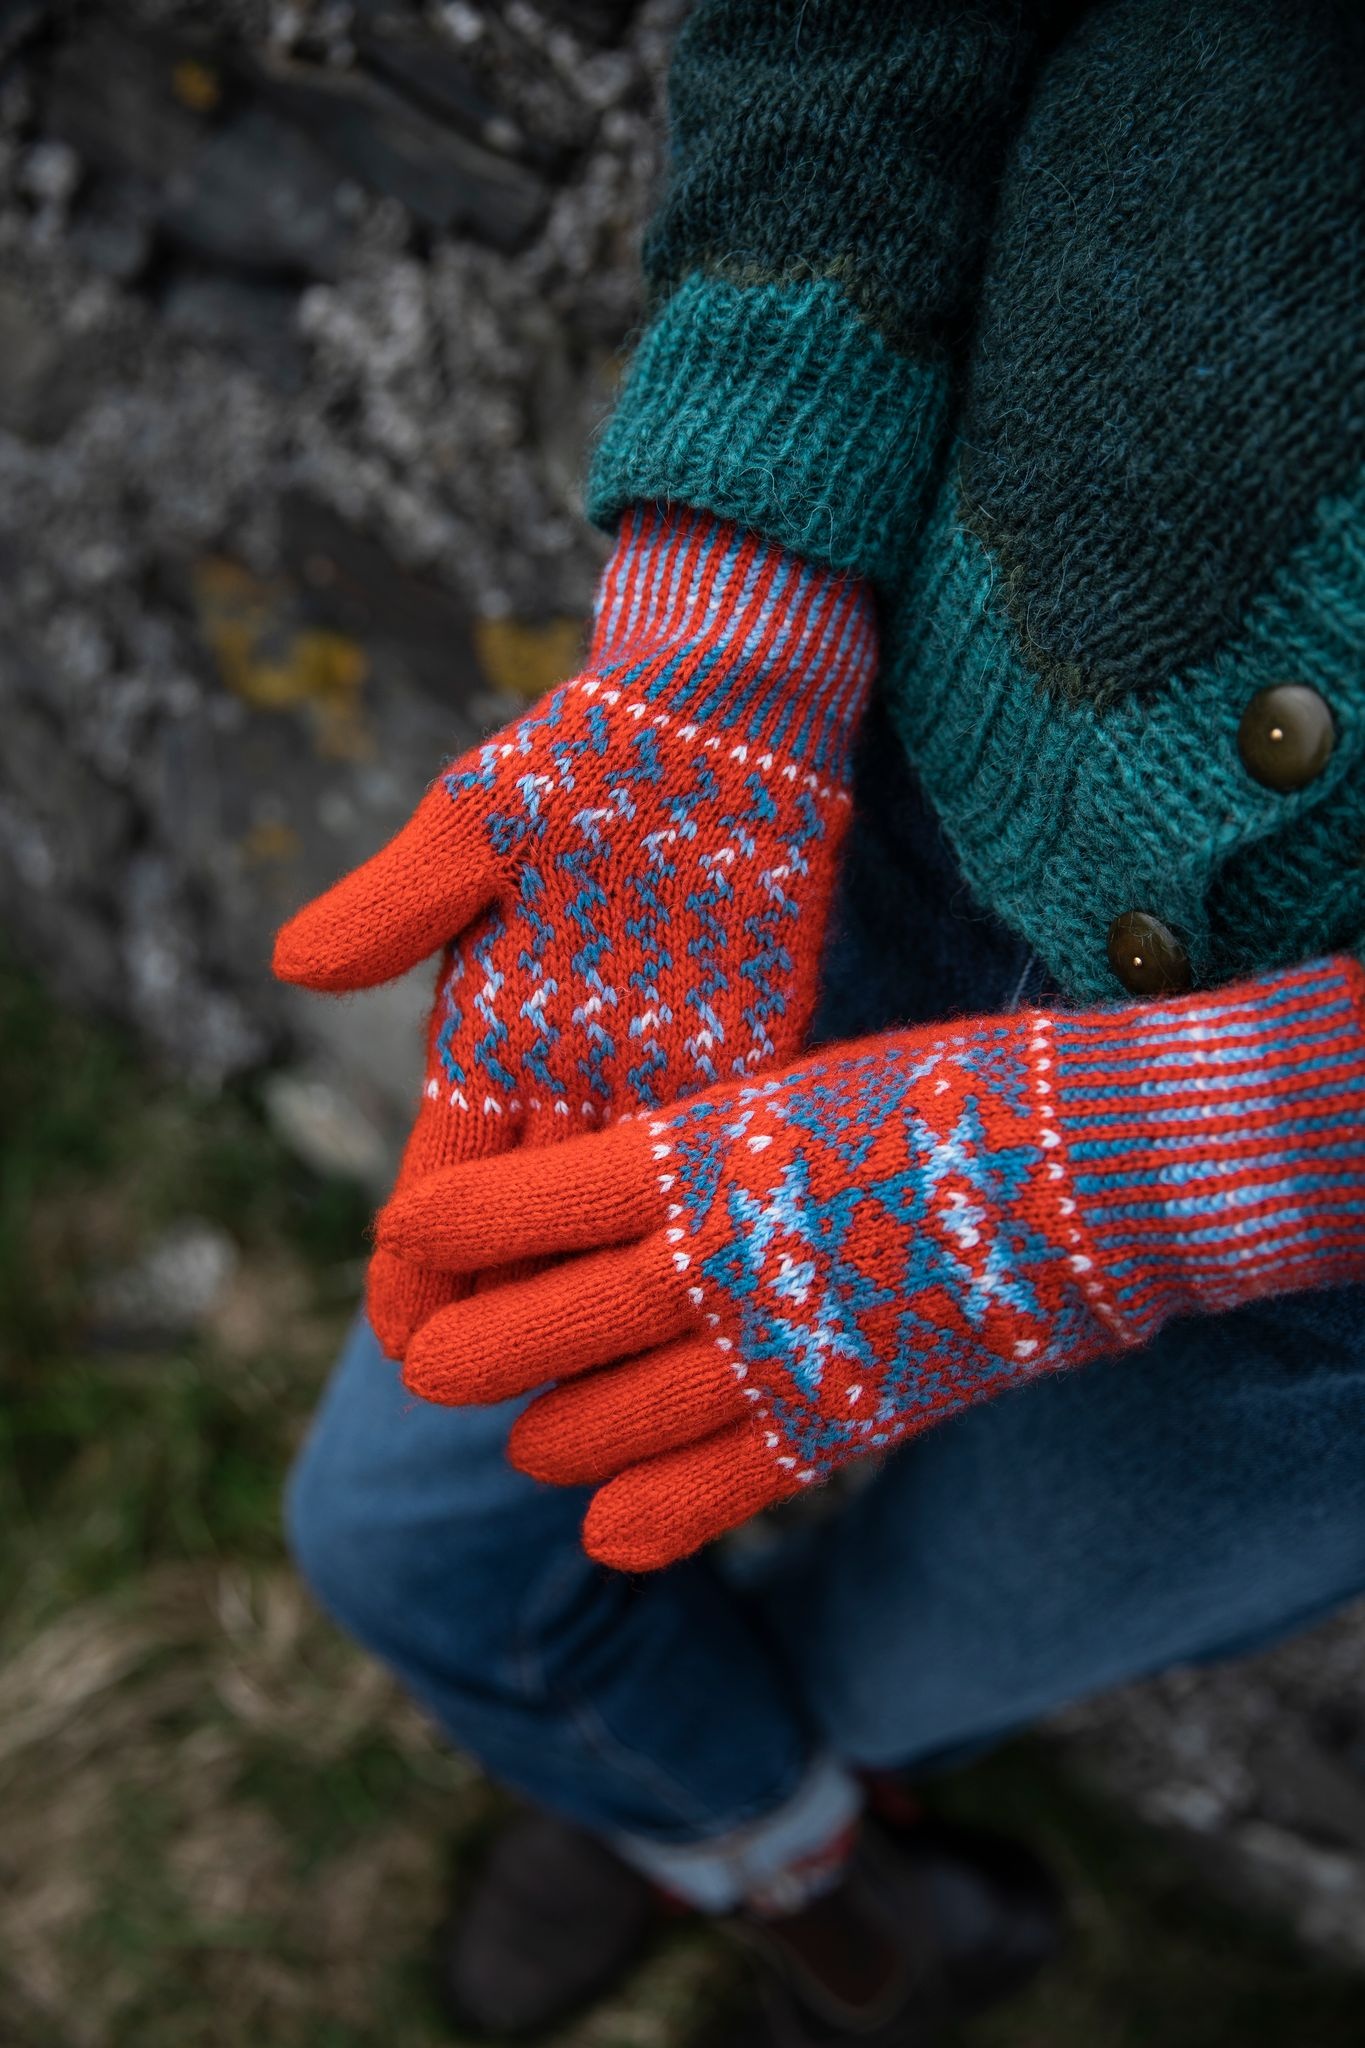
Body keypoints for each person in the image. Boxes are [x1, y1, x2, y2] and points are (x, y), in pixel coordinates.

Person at [277, 3, 1365, 2040]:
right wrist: (727, 631)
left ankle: (765, 1834)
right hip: (869, 821)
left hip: (1326, 1296)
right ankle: (760, 1837)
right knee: (411, 1534)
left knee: (919, 1656)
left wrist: (1261, 1141)